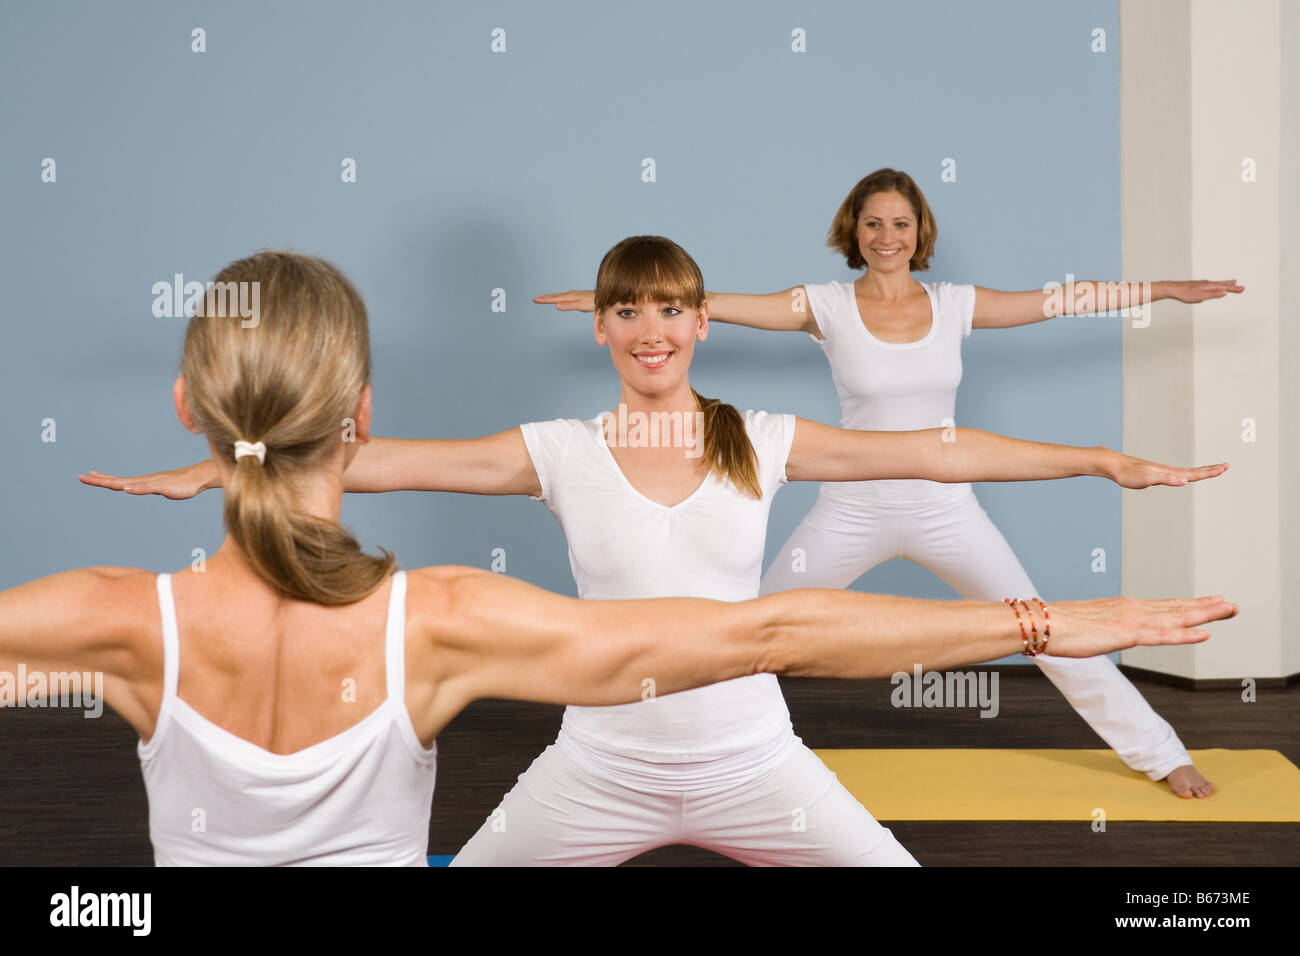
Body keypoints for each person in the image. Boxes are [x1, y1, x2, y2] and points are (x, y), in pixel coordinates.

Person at [79, 242, 1232, 866]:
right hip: (598, 766)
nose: (650, 329)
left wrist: (1095, 456)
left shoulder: (764, 438)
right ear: (602, 327)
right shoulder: (557, 447)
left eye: (672, 308)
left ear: (698, 323)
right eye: (626, 310)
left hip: (754, 759)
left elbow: (936, 450)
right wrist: (237, 460)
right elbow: (373, 457)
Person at [537, 171, 1243, 801]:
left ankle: (1161, 754)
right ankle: (647, 748)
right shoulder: (824, 305)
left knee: (1043, 627)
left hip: (947, 505)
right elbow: (708, 304)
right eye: (872, 222)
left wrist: (1162, 291)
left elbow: (1058, 301)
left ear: (919, 232)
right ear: (854, 230)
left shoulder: (957, 303)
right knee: (742, 630)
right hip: (851, 507)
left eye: (900, 223)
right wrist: (628, 300)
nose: (886, 236)